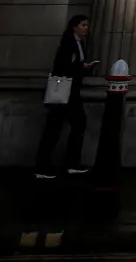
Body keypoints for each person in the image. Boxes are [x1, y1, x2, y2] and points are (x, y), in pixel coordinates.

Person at [34, 14, 98, 179]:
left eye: (86, 25)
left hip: (71, 91)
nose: (86, 28)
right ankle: (46, 166)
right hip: (64, 91)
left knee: (71, 126)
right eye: (83, 25)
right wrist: (80, 67)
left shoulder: (79, 44)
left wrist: (85, 67)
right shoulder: (68, 44)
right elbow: (63, 66)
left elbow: (73, 65)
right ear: (74, 27)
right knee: (56, 128)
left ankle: (68, 163)